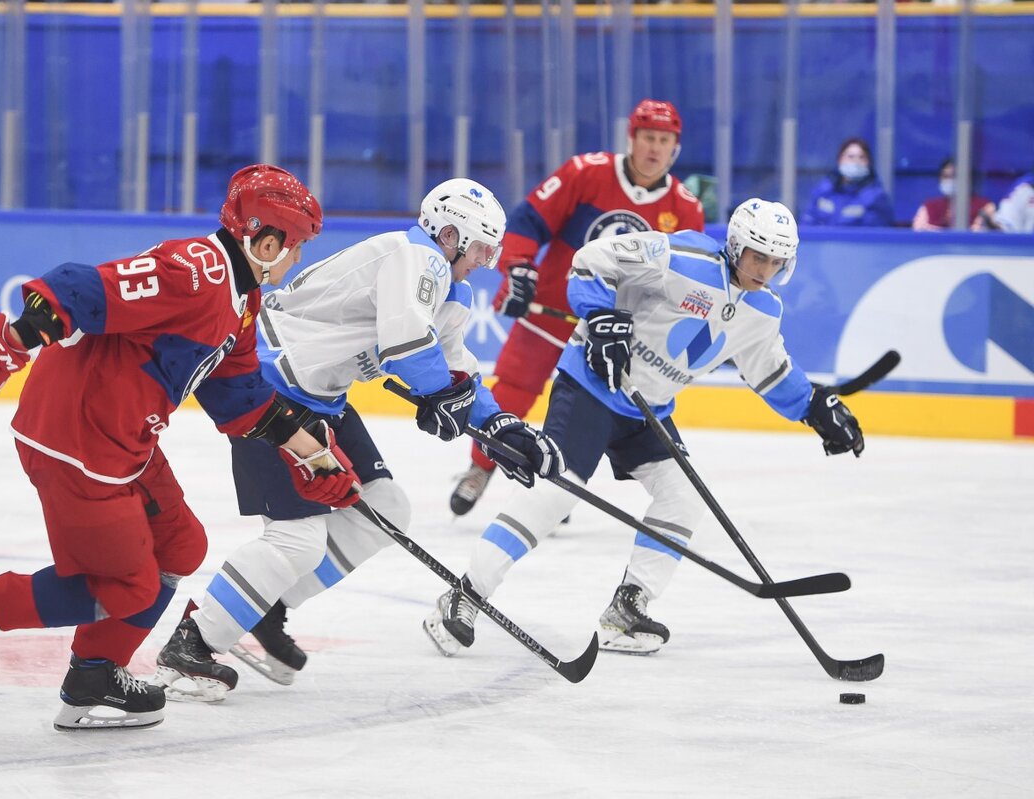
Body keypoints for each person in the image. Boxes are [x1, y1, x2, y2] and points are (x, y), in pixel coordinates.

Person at [0, 164, 360, 731]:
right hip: (74, 439)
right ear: (265, 242)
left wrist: (309, 452)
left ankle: (94, 674)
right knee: (128, 587)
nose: (295, 261)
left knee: (181, 546)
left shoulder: (240, 305)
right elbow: (82, 289)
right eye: (293, 249)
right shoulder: (196, 272)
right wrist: (9, 340)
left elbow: (241, 398)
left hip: (124, 442)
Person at [151, 178, 564, 700]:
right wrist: (444, 394)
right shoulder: (416, 256)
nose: (486, 261)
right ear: (452, 235)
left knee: (386, 506)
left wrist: (502, 428)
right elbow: (408, 346)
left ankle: (264, 606)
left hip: (319, 395)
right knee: (296, 539)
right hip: (270, 389)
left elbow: (455, 371)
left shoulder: (447, 287)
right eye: (481, 248)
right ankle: (192, 642)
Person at [424, 198, 865, 659]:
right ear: (735, 246)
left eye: (777, 262)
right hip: (591, 388)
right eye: (759, 256)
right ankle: (465, 594)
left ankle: (627, 609)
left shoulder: (764, 311)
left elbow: (771, 371)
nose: (765, 270)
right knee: (555, 492)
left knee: (684, 498)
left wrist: (815, 409)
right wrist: (599, 318)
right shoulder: (682, 257)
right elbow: (591, 261)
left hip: (646, 408)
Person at [449, 98, 705, 517]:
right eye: (647, 138)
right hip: (551, 307)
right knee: (513, 388)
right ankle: (481, 467)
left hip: (611, 331)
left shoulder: (685, 208)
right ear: (631, 139)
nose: (654, 149)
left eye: (664, 140)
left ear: (675, 149)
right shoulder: (586, 173)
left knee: (581, 410)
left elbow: (682, 280)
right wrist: (518, 269)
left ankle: (556, 484)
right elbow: (528, 220)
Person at [800, 137, 894, 227]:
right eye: (850, 157)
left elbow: (876, 234)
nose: (856, 162)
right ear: (839, 160)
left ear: (869, 163)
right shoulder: (823, 191)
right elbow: (807, 221)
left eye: (862, 157)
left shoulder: (876, 197)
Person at [910, 157, 995, 231]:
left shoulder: (985, 206)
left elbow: (979, 233)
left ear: (968, 179)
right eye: (946, 177)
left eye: (955, 176)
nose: (950, 181)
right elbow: (918, 230)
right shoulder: (929, 206)